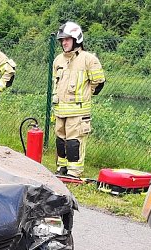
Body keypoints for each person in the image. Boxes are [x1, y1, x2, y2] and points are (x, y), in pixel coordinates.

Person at [52, 21, 105, 177]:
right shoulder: (58, 60)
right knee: (61, 141)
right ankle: (62, 168)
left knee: (74, 143)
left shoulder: (88, 59)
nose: (64, 42)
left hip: (78, 112)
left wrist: (85, 94)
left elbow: (99, 82)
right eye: (62, 40)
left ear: (77, 39)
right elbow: (56, 84)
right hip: (60, 110)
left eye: (67, 39)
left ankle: (74, 172)